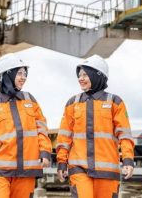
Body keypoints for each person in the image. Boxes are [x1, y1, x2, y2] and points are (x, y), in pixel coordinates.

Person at [56, 54, 134, 198]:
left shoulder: (115, 102)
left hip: (107, 170)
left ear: (97, 75)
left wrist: (128, 159)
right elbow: (64, 137)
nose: (81, 78)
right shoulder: (73, 103)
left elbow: (124, 134)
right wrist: (62, 162)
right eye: (79, 75)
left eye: (85, 74)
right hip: (79, 168)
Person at [0, 53, 52, 198]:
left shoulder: (30, 100)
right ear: (8, 75)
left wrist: (45, 152)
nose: (23, 77)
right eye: (19, 73)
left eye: (25, 73)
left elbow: (41, 129)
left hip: (26, 171)